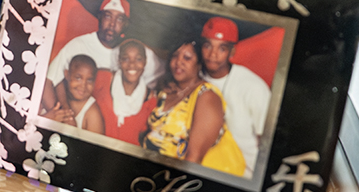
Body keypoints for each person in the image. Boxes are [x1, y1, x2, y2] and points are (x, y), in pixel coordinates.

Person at [143, 38, 245, 176]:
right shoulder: (167, 90)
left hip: (184, 179)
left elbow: (193, 159)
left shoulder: (207, 96)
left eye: (187, 58)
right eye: (175, 56)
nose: (179, 62)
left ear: (199, 64)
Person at [43, 0, 163, 108]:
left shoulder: (135, 52)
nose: (112, 24)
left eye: (119, 19)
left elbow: (165, 79)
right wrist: (60, 116)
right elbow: (47, 81)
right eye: (108, 16)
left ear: (126, 24)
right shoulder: (79, 45)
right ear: (99, 17)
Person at [200, 17, 272, 178]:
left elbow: (269, 143)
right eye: (207, 46)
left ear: (232, 51)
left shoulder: (253, 87)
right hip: (205, 167)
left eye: (222, 48)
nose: (212, 54)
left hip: (245, 174)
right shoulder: (193, 76)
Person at [93, 38, 157, 145]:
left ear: (145, 62)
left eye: (138, 59)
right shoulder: (102, 79)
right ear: (119, 61)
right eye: (126, 59)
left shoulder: (151, 101)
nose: (132, 64)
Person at [41, 54, 104, 134]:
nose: (83, 85)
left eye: (89, 80)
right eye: (78, 78)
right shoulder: (54, 95)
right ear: (67, 75)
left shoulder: (92, 113)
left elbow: (95, 145)